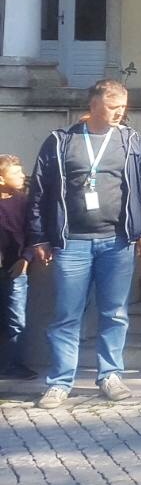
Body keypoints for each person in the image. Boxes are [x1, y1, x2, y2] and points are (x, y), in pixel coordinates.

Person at [25, 80, 141, 408]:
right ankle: (60, 382)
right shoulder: (60, 141)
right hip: (72, 242)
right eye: (113, 106)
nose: (119, 112)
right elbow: (39, 192)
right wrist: (39, 236)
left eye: (123, 106)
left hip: (116, 242)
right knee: (67, 314)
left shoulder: (131, 141)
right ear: (94, 104)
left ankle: (110, 374)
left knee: (114, 312)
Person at [0, 155, 32, 379]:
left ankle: (13, 364)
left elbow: (34, 232)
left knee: (16, 319)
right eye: (16, 173)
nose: (22, 176)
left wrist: (26, 259)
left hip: (15, 268)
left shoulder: (24, 202)